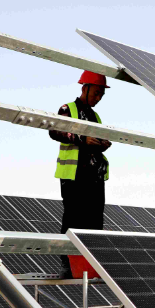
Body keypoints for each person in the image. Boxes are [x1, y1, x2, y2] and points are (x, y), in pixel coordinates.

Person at [49, 71, 112, 277]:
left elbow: (97, 140)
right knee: (73, 219)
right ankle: (67, 264)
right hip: (74, 175)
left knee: (94, 222)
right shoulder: (68, 109)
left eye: (102, 95)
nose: (99, 98)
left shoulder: (95, 116)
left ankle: (90, 265)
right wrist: (82, 139)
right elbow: (54, 131)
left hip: (95, 176)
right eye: (96, 93)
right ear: (85, 88)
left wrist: (102, 143)